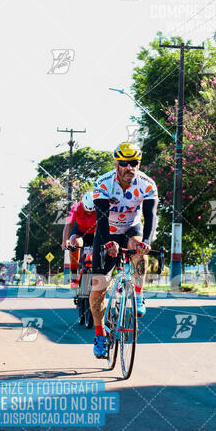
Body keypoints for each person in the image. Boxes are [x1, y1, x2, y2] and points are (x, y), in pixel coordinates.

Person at [89, 142, 158, 358]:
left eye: (134, 163)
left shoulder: (147, 184)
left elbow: (151, 216)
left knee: (139, 248)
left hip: (131, 228)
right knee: (99, 288)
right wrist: (108, 242)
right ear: (117, 164)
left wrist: (146, 241)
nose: (130, 168)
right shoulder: (103, 183)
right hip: (106, 229)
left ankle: (138, 295)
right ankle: (100, 335)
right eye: (125, 164)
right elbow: (100, 218)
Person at [61, 191, 96, 289]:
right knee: (75, 243)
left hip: (95, 232)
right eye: (87, 211)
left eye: (92, 212)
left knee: (100, 248)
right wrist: (64, 241)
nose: (89, 214)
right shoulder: (76, 207)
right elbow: (68, 225)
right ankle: (74, 274)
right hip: (80, 231)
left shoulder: (100, 206)